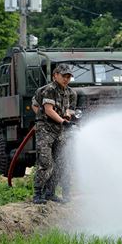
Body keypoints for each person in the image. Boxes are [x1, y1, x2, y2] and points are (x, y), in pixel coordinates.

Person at [32, 64, 77, 204]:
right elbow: (48, 110)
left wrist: (67, 116)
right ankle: (38, 194)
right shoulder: (49, 90)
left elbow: (70, 109)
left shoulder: (71, 93)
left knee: (61, 163)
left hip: (60, 131)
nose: (66, 79)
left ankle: (50, 192)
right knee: (46, 163)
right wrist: (62, 121)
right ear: (55, 75)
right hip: (45, 130)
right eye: (64, 76)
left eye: (69, 76)